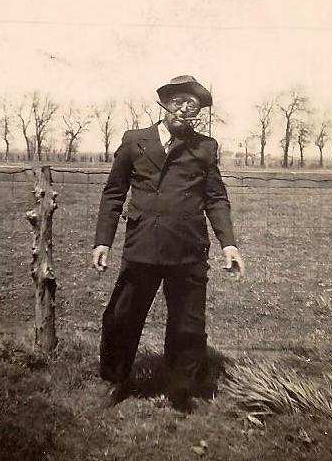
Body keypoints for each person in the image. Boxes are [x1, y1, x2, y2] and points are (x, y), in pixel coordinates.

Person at [93, 75, 244, 411]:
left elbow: (216, 197)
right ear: (164, 103)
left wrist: (228, 244)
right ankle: (115, 380)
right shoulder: (135, 141)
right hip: (142, 246)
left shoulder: (205, 147)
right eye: (178, 101)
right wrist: (103, 241)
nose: (185, 109)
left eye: (193, 105)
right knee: (122, 317)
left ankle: (181, 391)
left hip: (188, 249)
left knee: (188, 324)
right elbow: (114, 192)